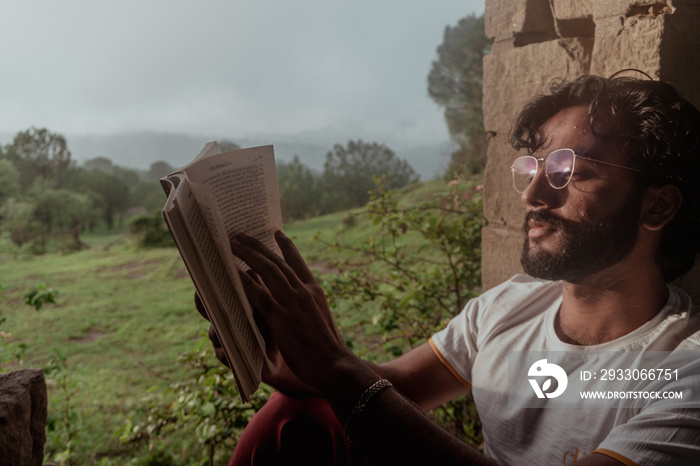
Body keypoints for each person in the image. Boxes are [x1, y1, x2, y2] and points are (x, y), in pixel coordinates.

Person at [200, 74, 700, 465]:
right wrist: (279, 355)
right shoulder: (510, 305)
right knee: (293, 418)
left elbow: (357, 387)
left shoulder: (684, 370)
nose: (532, 195)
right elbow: (394, 387)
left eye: (573, 172)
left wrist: (333, 363)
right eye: (534, 168)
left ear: (658, 208)